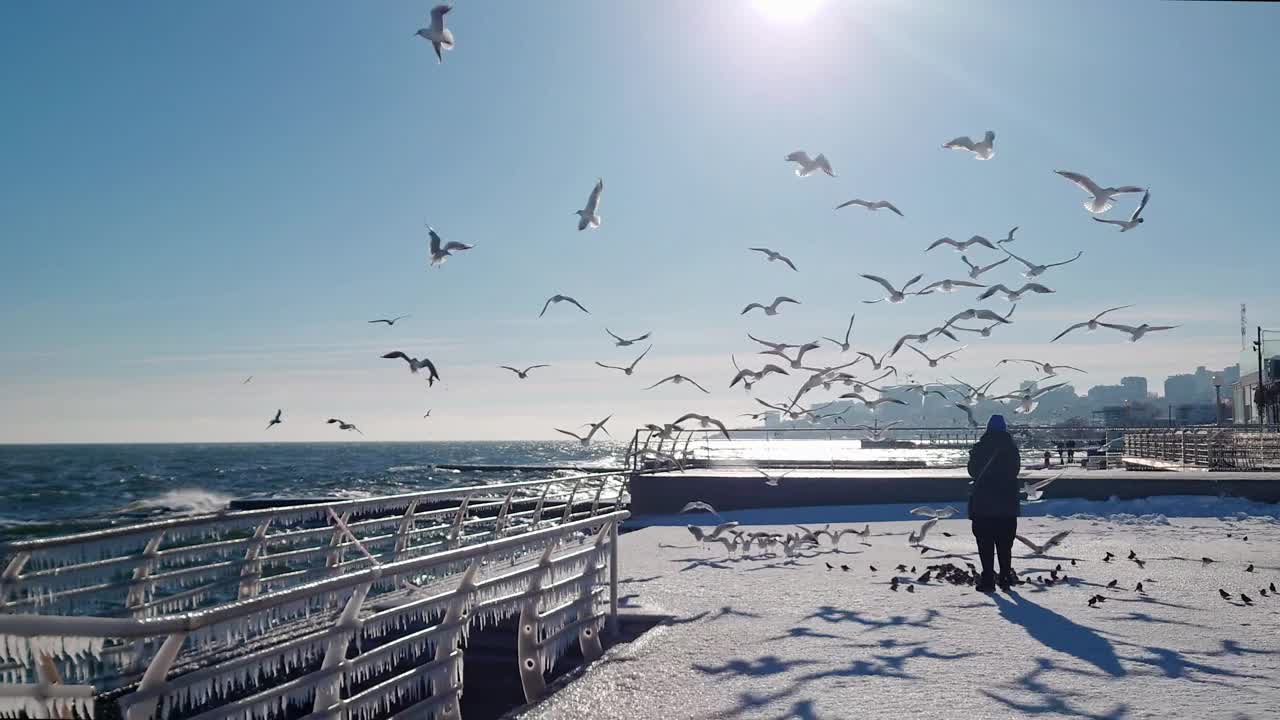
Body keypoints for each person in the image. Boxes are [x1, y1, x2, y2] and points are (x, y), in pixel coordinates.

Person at [967, 414, 1022, 592]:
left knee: (985, 544)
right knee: (1005, 545)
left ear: (988, 428)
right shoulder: (1012, 450)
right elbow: (1014, 472)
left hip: (983, 504)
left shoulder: (979, 448)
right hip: (1006, 505)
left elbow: (973, 472)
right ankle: (1005, 577)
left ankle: (988, 579)